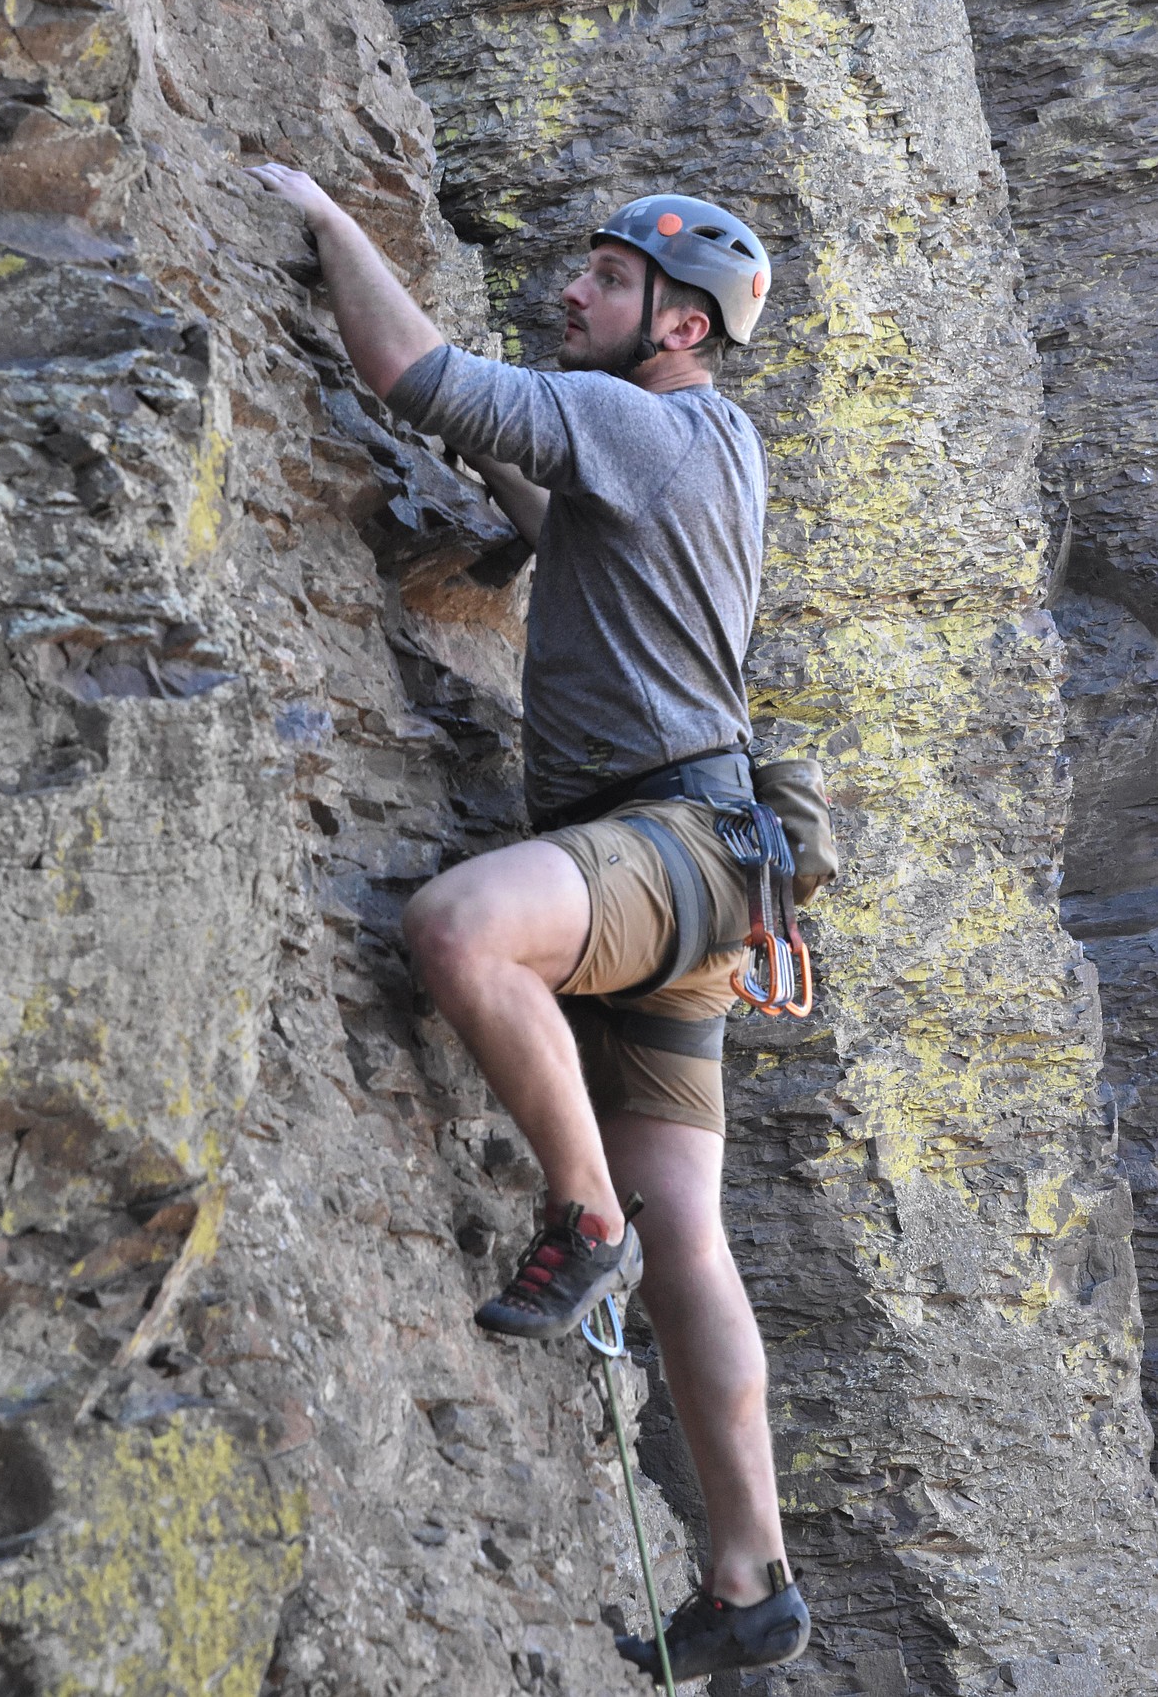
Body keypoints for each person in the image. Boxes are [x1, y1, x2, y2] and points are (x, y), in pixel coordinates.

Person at [248, 162, 812, 1684]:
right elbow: (564, 525)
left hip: (660, 847)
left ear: (677, 324)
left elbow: (414, 375)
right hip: (708, 870)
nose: (570, 292)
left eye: (605, 281)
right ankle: (749, 1575)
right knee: (698, 1225)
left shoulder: (640, 418)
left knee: (460, 932)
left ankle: (582, 1220)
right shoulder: (699, 442)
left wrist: (326, 219)